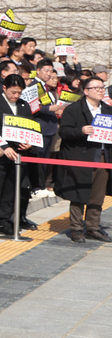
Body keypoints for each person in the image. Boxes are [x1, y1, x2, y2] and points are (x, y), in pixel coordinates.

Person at [56, 76, 110, 242]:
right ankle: (76, 228)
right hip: (81, 156)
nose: (100, 90)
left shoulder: (107, 109)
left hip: (102, 156)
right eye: (96, 88)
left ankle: (93, 227)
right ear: (86, 91)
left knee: (98, 195)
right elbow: (64, 132)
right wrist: (81, 131)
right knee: (78, 193)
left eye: (102, 87)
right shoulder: (74, 109)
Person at [0, 73, 33, 235]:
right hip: (0, 151)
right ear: (4, 88)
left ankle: (5, 219)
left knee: (12, 188)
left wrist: (29, 142)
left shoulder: (24, 105)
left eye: (19, 93)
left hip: (18, 153)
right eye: (13, 92)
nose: (16, 96)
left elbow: (29, 127)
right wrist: (4, 146)